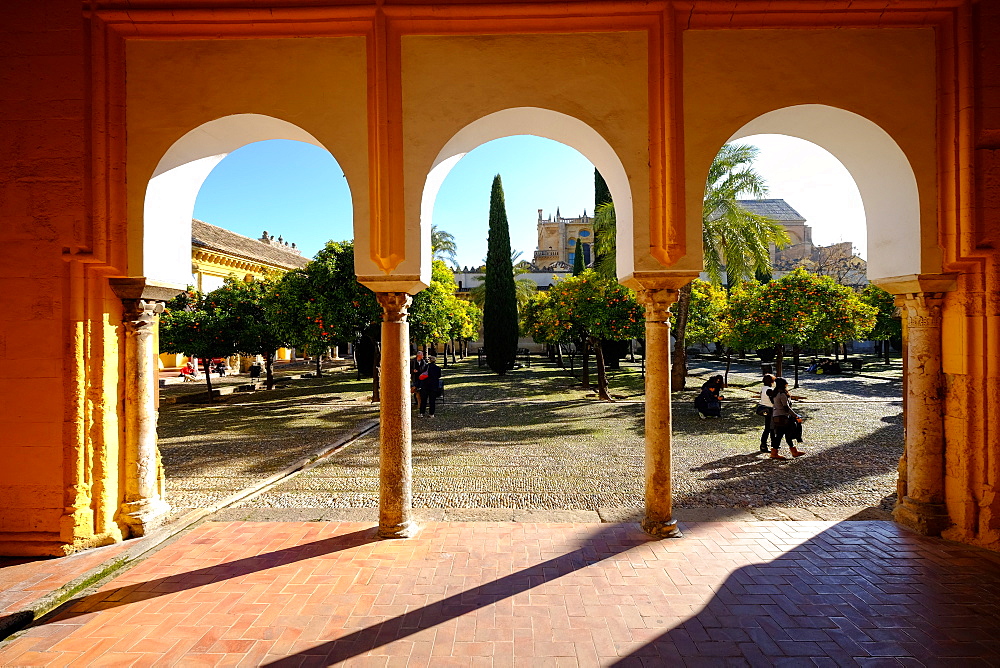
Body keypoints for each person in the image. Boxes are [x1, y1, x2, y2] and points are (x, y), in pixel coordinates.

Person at [767, 377, 805, 459]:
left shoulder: (775, 393)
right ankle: (792, 451)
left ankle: (777, 452)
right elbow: (786, 407)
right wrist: (796, 415)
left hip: (776, 416)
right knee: (786, 434)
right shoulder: (782, 394)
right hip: (783, 417)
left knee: (781, 434)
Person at [756, 374, 775, 453]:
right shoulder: (769, 390)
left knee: (769, 428)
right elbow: (773, 401)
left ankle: (771, 444)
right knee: (769, 428)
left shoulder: (764, 388)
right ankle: (766, 445)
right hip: (770, 409)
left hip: (765, 408)